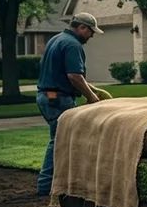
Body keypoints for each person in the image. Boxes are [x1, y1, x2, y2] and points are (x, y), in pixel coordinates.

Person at [36, 12, 103, 196]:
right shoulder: (73, 45)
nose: (92, 36)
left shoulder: (56, 39)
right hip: (58, 98)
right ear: (81, 27)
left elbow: (68, 74)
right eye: (91, 32)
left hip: (46, 96)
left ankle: (60, 182)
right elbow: (74, 76)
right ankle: (46, 186)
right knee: (60, 141)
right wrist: (91, 97)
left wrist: (94, 89)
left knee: (62, 139)